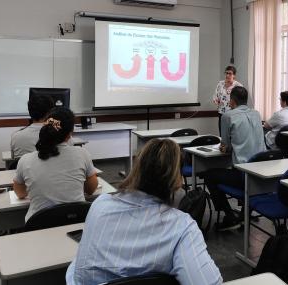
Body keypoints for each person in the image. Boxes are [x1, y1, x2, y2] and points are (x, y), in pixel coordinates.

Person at [66, 139, 222, 285]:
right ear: (177, 181)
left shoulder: (100, 205)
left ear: (136, 170)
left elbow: (79, 271)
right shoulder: (182, 226)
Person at [13, 107, 98, 222]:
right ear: (69, 135)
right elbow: (91, 190)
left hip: (39, 225)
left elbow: (20, 193)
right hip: (76, 221)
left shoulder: (25, 160)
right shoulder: (82, 154)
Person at [205, 86, 266, 231]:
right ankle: (244, 215)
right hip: (262, 174)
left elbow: (225, 146)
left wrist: (227, 146)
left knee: (209, 175)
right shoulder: (256, 114)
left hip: (243, 175)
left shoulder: (228, 116)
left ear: (232, 101)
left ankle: (229, 216)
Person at [10, 94, 54, 158]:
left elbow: (13, 160)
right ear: (50, 112)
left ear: (30, 112)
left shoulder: (16, 137)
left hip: (24, 167)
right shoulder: (60, 135)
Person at [212, 65, 243, 134]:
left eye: (230, 73)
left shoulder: (238, 86)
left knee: (232, 134)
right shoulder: (220, 84)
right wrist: (216, 100)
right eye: (226, 73)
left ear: (234, 75)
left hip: (234, 114)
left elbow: (241, 101)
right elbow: (215, 96)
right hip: (222, 113)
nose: (228, 75)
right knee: (222, 133)